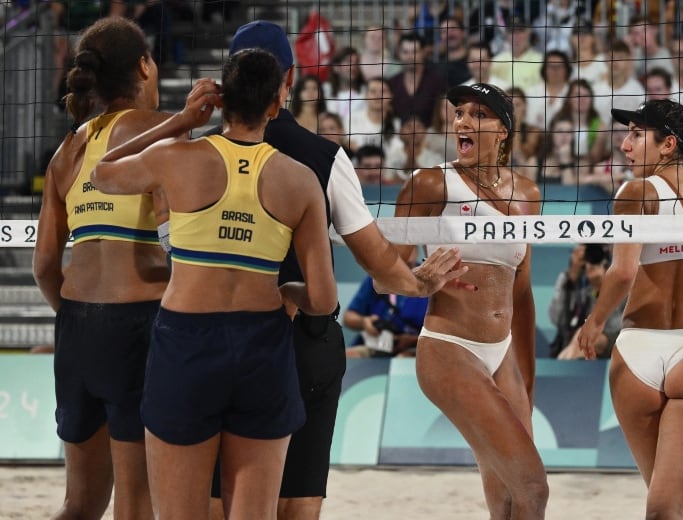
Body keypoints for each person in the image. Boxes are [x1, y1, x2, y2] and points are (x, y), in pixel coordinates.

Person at [196, 21, 474, 520]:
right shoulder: (324, 158)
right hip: (301, 339)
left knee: (220, 499)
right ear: (290, 79)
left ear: (226, 82)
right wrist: (418, 283)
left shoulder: (190, 155)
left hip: (216, 336)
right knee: (298, 501)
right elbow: (380, 264)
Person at [91, 48, 338, 519]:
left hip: (186, 341)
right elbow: (324, 302)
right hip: (262, 342)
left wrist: (179, 120)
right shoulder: (301, 179)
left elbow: (103, 172)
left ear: (220, 100)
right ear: (276, 104)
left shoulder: (175, 157)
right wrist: (288, 293)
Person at [32, 17, 169, 520]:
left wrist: (72, 315)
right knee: (137, 505)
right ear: (143, 67)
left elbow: (45, 264)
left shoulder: (66, 151)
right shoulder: (163, 130)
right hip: (137, 323)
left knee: (81, 503)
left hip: (76, 328)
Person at [578, 99, 683, 519]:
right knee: (671, 506)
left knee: (664, 505)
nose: (624, 144)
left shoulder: (637, 192)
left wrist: (594, 324)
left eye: (635, 134)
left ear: (668, 144)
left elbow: (623, 272)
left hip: (637, 351)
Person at [394, 82, 548, 518]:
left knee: (506, 497)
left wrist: (527, 380)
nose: (463, 121)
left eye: (478, 115)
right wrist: (419, 279)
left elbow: (521, 288)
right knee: (533, 489)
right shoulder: (430, 183)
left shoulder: (528, 194)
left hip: (503, 355)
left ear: (504, 131)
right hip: (449, 347)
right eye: (459, 112)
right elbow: (387, 272)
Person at [344, 248, 428, 358]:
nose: (404, 257)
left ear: (416, 251)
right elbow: (348, 317)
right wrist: (364, 322)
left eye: (408, 249)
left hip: (412, 349)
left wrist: (413, 340)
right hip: (374, 343)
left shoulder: (428, 281)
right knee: (344, 358)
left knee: (403, 360)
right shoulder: (376, 277)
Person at [552, 244, 625, 360]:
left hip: (616, 339)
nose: (592, 262)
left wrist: (607, 281)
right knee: (579, 340)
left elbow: (620, 325)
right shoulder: (581, 289)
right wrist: (571, 277)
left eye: (597, 257)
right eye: (588, 258)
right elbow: (558, 320)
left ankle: (561, 371)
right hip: (583, 340)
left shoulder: (623, 283)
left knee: (583, 338)